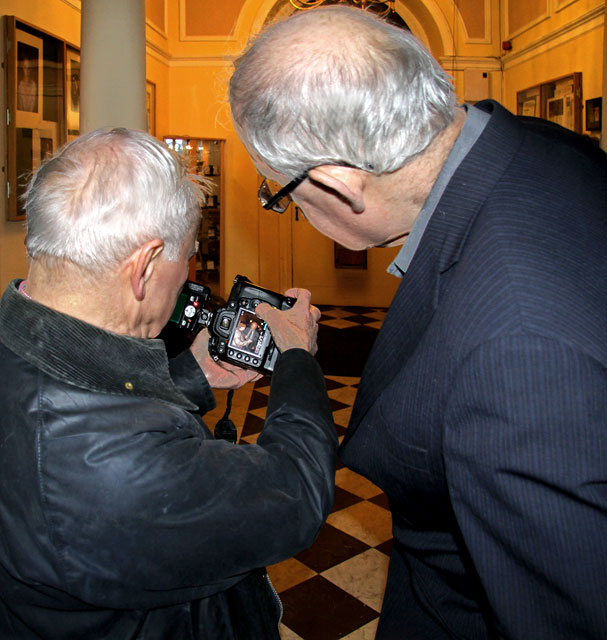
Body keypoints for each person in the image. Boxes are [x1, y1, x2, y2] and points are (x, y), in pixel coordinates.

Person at [229, 6, 607, 639]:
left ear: (340, 182)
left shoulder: (518, 352)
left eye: (282, 193)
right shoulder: (538, 148)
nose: (289, 209)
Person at [0, 128, 338, 639]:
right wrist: (295, 357)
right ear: (145, 266)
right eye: (188, 254)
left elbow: (100, 402)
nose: (188, 273)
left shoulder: (21, 346)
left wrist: (192, 376)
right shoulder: (113, 465)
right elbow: (295, 494)